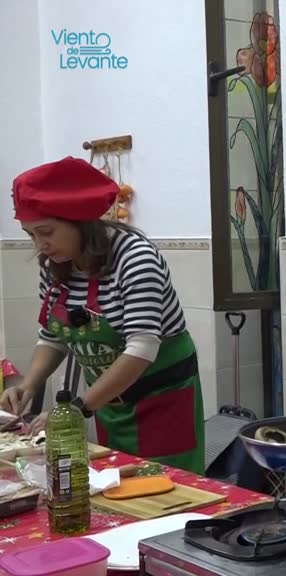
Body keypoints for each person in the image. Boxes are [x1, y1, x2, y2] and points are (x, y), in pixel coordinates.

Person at [0, 156, 206, 474]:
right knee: (116, 483)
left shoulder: (135, 258)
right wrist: (28, 386)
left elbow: (141, 349)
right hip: (109, 402)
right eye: (31, 235)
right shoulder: (55, 267)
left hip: (162, 401)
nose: (40, 245)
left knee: (168, 488)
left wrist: (76, 408)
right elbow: (53, 337)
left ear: (80, 220)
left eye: (46, 232)